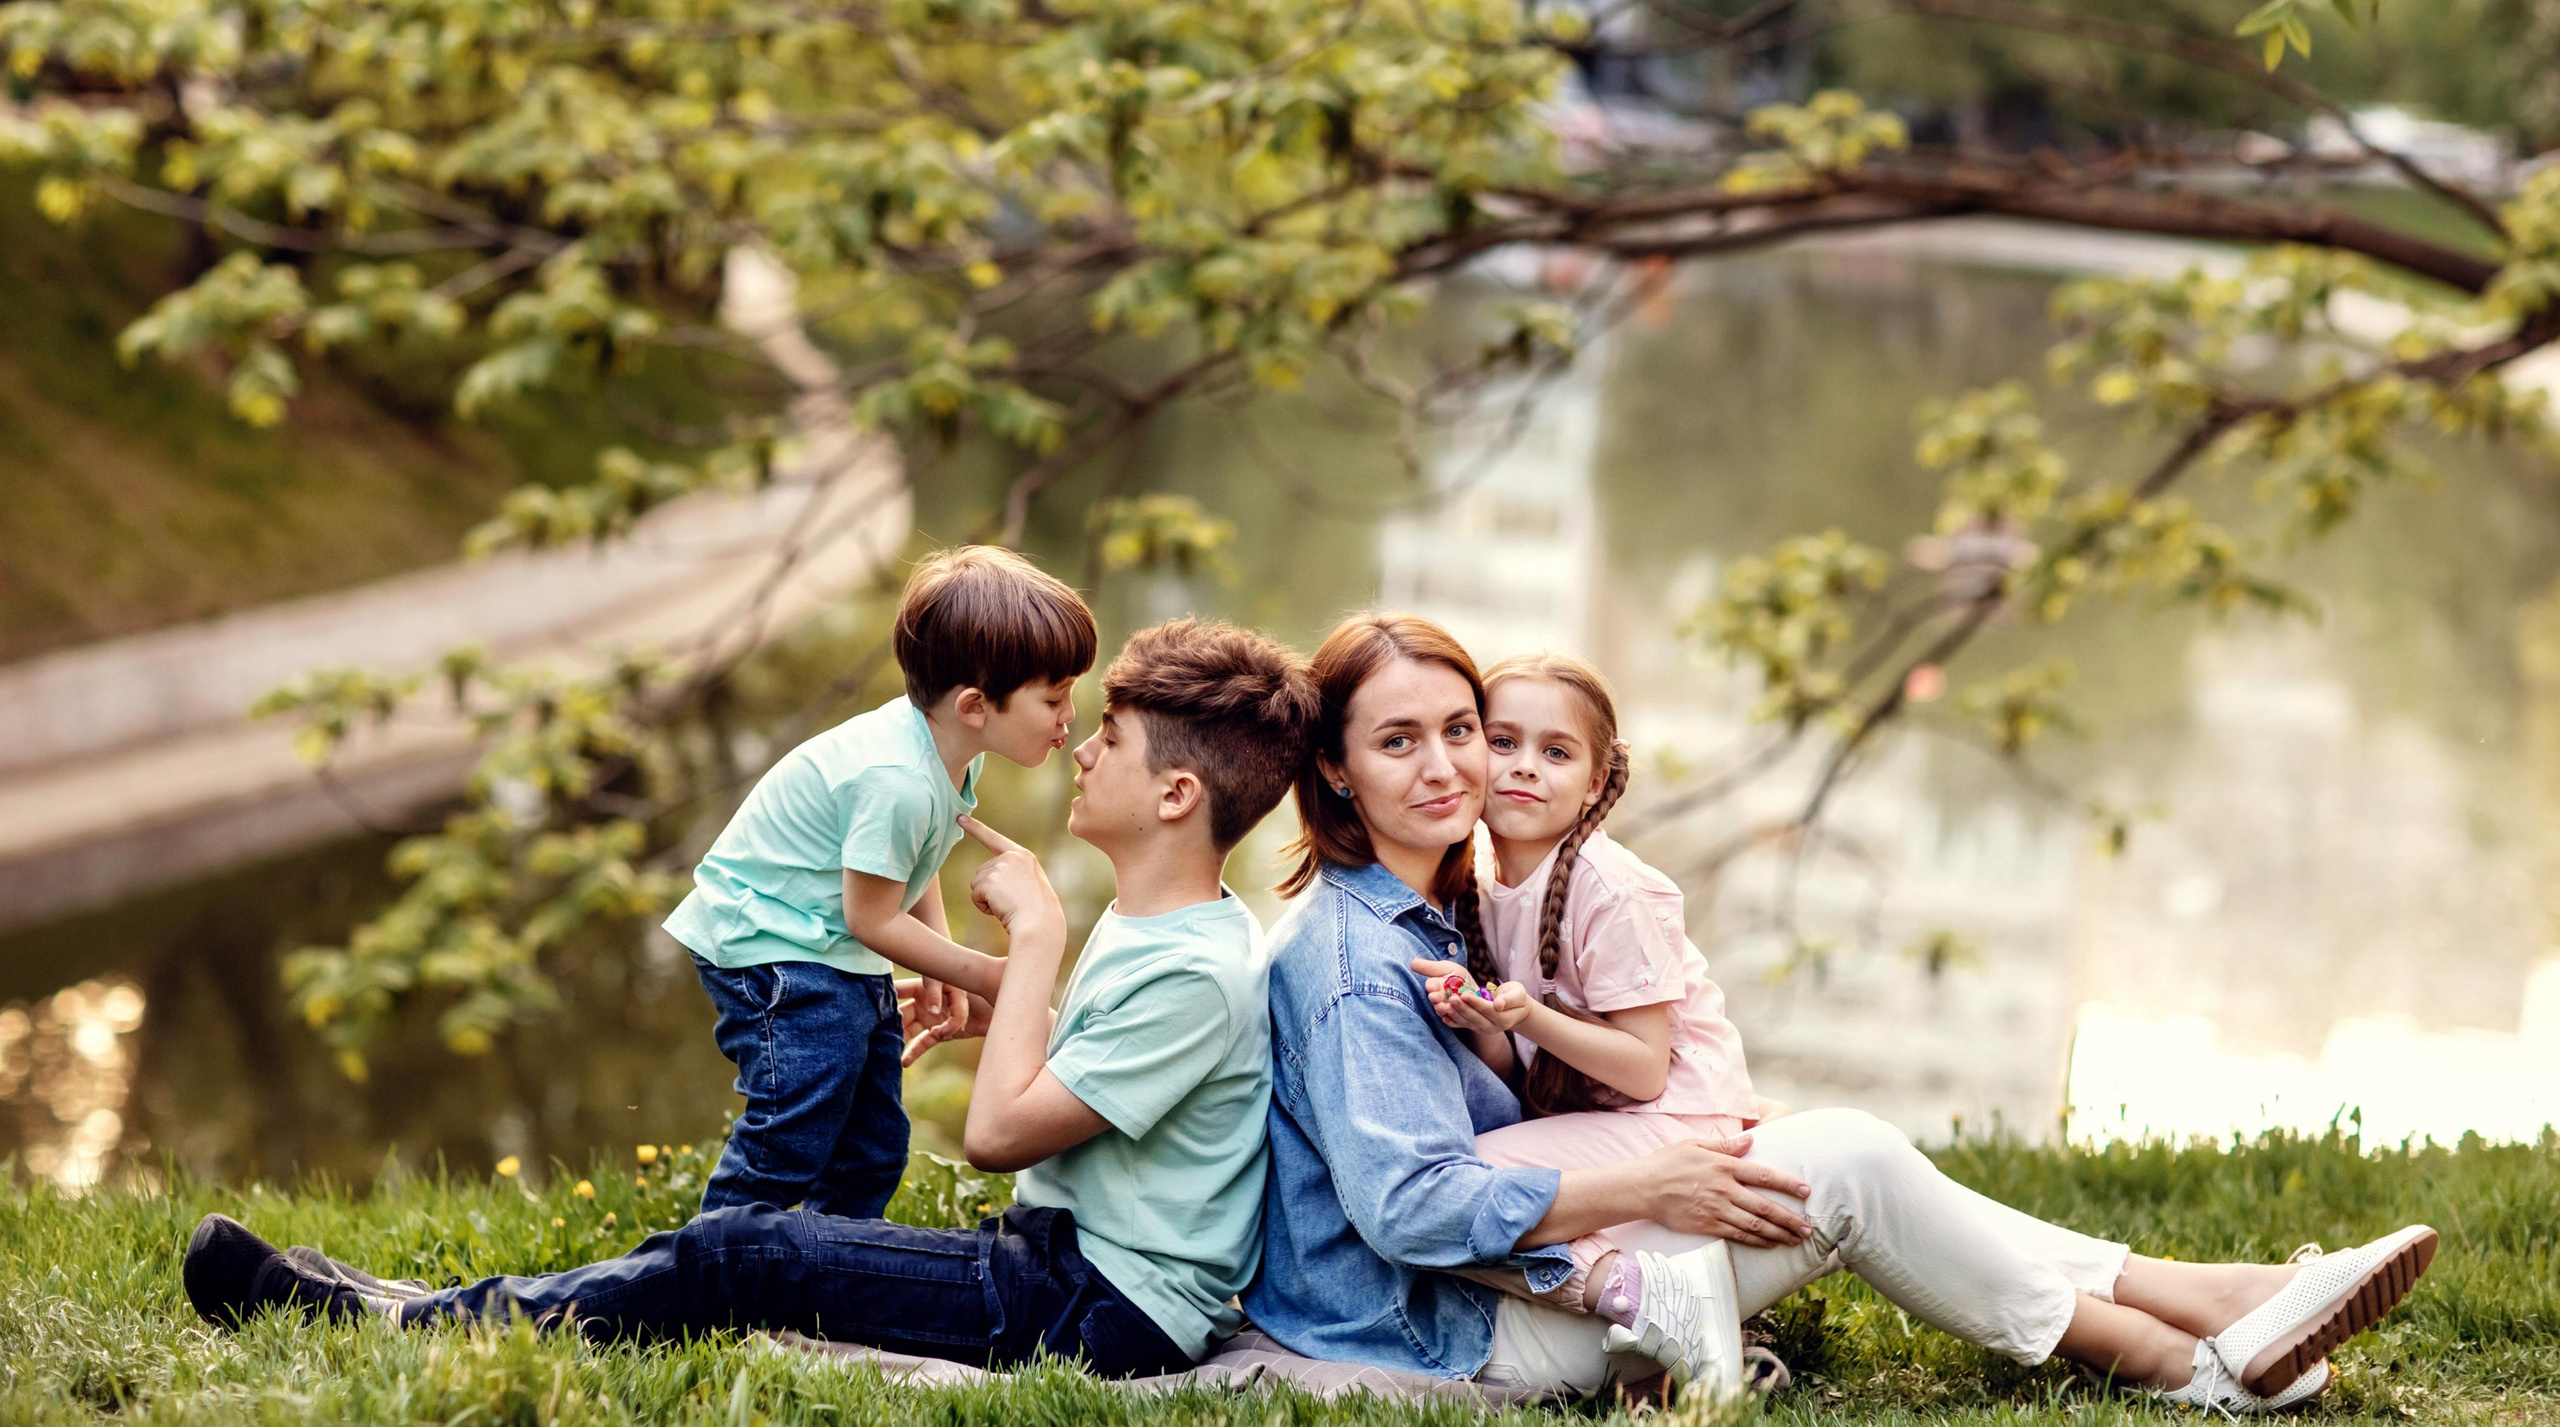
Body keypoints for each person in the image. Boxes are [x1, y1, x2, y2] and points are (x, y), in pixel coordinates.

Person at [1245, 612, 2438, 1409]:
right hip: (1453, 1331)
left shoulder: (1435, 901)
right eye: (1400, 741)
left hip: (1523, 1279)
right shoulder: (1358, 961)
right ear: (1336, 769)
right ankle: (2190, 1351)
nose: (1453, 766)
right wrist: (1648, 1183)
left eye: (1461, 730)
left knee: (1839, 1158)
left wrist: (1651, 1135)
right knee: (1852, 1162)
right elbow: (1407, 1206)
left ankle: (2214, 1313)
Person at [184, 618, 1318, 1380]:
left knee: (748, 1254)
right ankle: (437, 1303)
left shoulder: (1195, 963)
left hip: (1097, 1309)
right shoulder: (1169, 927)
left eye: (1106, 741)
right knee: (771, 1244)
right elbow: (1095, 1075)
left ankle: (406, 1322)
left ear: (1175, 794)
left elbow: (993, 1135)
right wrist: (1016, 1008)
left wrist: (1031, 945)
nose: (1079, 753)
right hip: (1066, 1267)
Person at [661, 543, 1093, 1219]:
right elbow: (870, 918)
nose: (1071, 717)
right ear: (977, 705)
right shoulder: (895, 779)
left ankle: (834, 1268)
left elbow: (908, 869)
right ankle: (715, 1270)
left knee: (873, 1145)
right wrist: (984, 972)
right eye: (1055, 698)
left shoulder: (945, 753)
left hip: (823, 939)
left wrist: (944, 961)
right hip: (771, 938)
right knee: (792, 1130)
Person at [1408, 651, 1766, 1385]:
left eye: (1557, 751)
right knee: (1472, 1175)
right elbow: (1521, 1065)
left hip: (1680, 1113)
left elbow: (1642, 1069)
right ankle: (1662, 1361)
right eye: (1503, 742)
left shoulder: (1609, 889)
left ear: (1596, 781)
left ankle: (1658, 1305)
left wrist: (1531, 1017)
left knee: (1458, 1187)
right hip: (1619, 1113)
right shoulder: (1477, 876)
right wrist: (1478, 1018)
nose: (1524, 767)